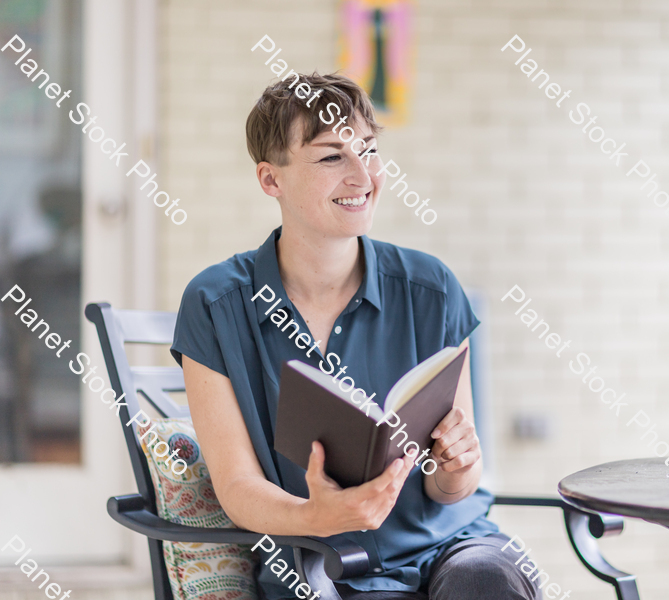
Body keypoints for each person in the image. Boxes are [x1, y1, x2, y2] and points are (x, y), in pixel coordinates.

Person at [170, 72, 541, 600]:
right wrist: (314, 515)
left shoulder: (431, 289)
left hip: (453, 550)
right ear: (270, 180)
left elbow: (450, 486)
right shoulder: (215, 305)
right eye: (330, 157)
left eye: (367, 150)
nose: (362, 175)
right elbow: (237, 487)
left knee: (485, 580)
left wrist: (457, 467)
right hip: (323, 560)